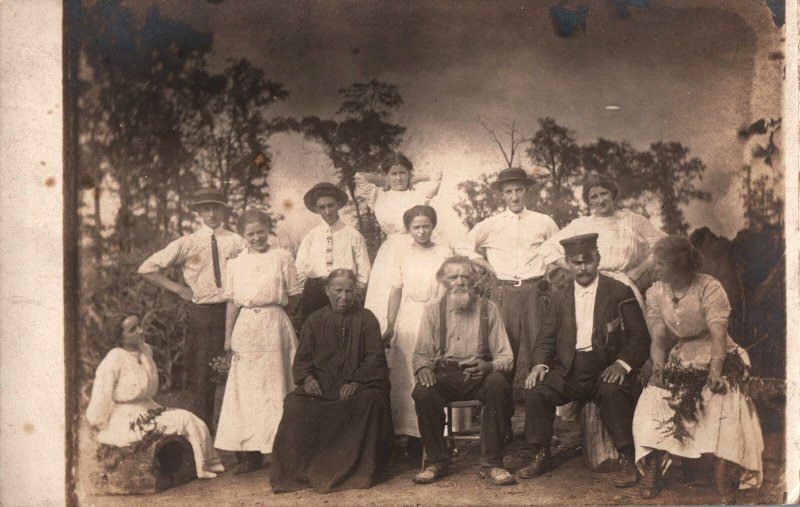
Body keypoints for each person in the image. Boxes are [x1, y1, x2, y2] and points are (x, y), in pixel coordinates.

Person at [632, 236, 763, 503]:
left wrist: (716, 369)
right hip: (683, 355)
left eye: (661, 264)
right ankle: (654, 467)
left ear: (679, 264)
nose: (655, 269)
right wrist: (658, 370)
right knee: (654, 396)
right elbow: (657, 337)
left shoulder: (709, 287)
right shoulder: (655, 291)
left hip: (721, 352)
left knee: (723, 397)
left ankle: (725, 471)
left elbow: (718, 333)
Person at [520, 233, 650, 488]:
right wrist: (539, 365)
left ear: (598, 258)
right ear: (567, 263)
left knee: (613, 391)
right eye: (575, 262)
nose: (582, 268)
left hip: (605, 368)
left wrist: (621, 364)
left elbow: (639, 337)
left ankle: (628, 458)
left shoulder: (618, 291)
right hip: (569, 370)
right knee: (536, 390)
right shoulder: (559, 296)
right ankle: (540, 453)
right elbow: (545, 339)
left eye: (587, 261)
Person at [270, 269, 393, 494]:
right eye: (338, 291)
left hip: (360, 385)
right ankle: (301, 471)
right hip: (324, 384)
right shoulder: (314, 320)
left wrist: (356, 382)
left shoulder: (367, 319)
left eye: (349, 291)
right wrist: (307, 378)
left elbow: (374, 358)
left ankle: (353, 470)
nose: (344, 297)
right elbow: (302, 358)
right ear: (327, 291)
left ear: (357, 292)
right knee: (295, 403)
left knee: (371, 400)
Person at [138, 188, 246, 430]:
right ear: (198, 212)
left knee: (240, 377)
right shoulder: (188, 242)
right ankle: (204, 443)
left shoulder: (237, 241)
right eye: (206, 208)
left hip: (236, 314)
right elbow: (147, 268)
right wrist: (178, 289)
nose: (212, 214)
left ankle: (245, 451)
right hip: (203, 317)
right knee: (202, 382)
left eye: (216, 207)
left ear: (224, 210)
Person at [411, 256, 516, 486]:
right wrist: (422, 368)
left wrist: (489, 366)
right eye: (453, 276)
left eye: (465, 276)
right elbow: (421, 353)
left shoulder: (489, 309)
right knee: (423, 392)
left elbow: (506, 356)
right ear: (443, 280)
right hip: (445, 375)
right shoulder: (432, 311)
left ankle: (493, 463)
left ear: (475, 280)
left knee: (498, 384)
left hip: (478, 374)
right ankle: (436, 461)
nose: (459, 282)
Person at [213, 209, 301, 474]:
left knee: (277, 385)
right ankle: (249, 455)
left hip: (275, 327)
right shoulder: (236, 263)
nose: (256, 238)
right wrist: (228, 338)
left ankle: (282, 452)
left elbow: (295, 294)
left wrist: (278, 314)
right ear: (243, 236)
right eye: (250, 234)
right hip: (246, 329)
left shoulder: (282, 257)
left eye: (260, 232)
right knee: (248, 390)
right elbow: (232, 302)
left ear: (268, 230)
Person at [455, 167, 559, 387]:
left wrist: (549, 273)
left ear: (526, 191)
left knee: (539, 350)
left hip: (535, 292)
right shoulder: (491, 224)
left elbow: (557, 251)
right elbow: (461, 246)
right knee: (500, 351)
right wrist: (486, 266)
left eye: (519, 190)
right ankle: (500, 411)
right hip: (504, 293)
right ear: (502, 194)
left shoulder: (544, 221)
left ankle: (537, 408)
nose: (514, 196)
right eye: (509, 191)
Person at [86, 315, 224, 479]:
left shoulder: (145, 350)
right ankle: (201, 466)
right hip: (126, 417)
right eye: (133, 329)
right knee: (184, 420)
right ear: (119, 337)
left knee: (191, 419)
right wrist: (98, 424)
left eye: (139, 325)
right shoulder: (113, 359)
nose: (140, 331)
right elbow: (102, 395)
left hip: (149, 408)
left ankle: (204, 464)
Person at [382, 205, 452, 454]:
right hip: (410, 317)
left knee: (437, 370)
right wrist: (391, 324)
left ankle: (440, 434)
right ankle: (413, 435)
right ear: (409, 229)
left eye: (426, 226)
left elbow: (452, 287)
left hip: (438, 313)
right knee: (410, 376)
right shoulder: (402, 254)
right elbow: (395, 290)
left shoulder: (444, 252)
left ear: (433, 226)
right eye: (416, 227)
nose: (421, 231)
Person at [540, 173, 666, 310]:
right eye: (594, 196)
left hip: (625, 285)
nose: (600, 200)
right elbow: (547, 248)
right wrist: (576, 268)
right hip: (591, 287)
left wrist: (638, 270)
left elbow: (664, 244)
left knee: (630, 326)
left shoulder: (632, 220)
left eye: (603, 193)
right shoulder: (582, 224)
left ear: (612, 193)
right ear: (589, 201)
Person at [354, 153, 442, 335]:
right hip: (389, 253)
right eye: (393, 173)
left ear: (408, 174)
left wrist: (414, 179)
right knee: (386, 295)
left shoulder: (418, 194)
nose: (398, 178)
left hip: (415, 250)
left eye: (402, 173)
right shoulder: (379, 196)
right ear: (387, 176)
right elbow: (360, 176)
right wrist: (382, 180)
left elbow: (436, 175)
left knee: (412, 297)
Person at [295, 182, 371, 326]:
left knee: (344, 331)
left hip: (343, 292)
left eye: (331, 205)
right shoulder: (311, 236)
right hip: (315, 293)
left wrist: (354, 292)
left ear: (338, 205)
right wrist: (302, 293)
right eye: (322, 207)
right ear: (316, 209)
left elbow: (364, 269)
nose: (327, 211)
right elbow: (300, 268)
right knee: (315, 332)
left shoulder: (353, 235)